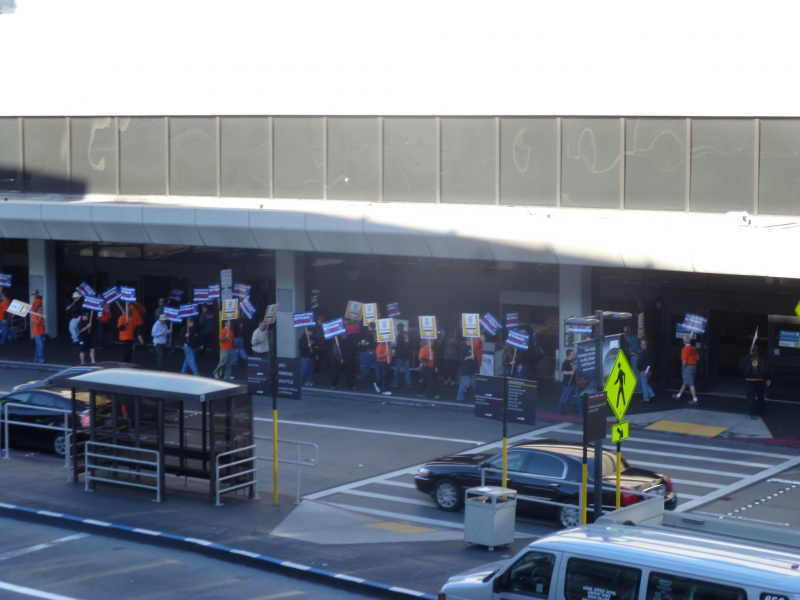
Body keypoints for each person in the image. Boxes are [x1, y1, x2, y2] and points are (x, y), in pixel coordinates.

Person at [738, 347, 771, 420]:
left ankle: (753, 414)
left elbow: (740, 367)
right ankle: (762, 411)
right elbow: (767, 370)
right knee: (760, 396)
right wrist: (768, 378)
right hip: (760, 380)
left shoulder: (746, 358)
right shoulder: (762, 359)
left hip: (749, 380)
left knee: (750, 398)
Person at [673, 335, 699, 405]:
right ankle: (678, 395)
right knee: (686, 382)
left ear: (684, 341)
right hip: (694, 366)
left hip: (687, 367)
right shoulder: (694, 348)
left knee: (690, 383)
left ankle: (695, 399)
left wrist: (682, 368)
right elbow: (697, 358)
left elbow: (684, 361)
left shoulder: (684, 349)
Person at [557, 349, 582, 415]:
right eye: (573, 354)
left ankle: (581, 411)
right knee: (564, 398)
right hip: (568, 384)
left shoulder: (575, 361)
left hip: (574, 383)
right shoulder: (565, 363)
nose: (574, 355)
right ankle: (560, 410)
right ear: (569, 355)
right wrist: (570, 372)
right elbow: (563, 372)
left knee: (577, 397)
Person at [456, 336, 478, 402]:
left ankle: (478, 398)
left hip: (473, 369)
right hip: (466, 369)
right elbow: (461, 359)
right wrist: (469, 357)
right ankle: (459, 398)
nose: (473, 342)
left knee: (476, 384)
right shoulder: (464, 348)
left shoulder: (473, 348)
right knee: (463, 384)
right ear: (469, 341)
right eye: (472, 341)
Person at [357, 322, 379, 389]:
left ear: (370, 327)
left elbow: (367, 343)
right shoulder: (377, 333)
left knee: (366, 366)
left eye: (368, 326)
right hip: (377, 351)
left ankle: (362, 378)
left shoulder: (369, 333)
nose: (367, 327)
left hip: (370, 351)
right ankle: (378, 379)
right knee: (377, 367)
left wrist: (361, 343)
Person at [391, 322, 412, 389]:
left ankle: (395, 383)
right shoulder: (407, 333)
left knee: (397, 369)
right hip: (407, 354)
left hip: (400, 355)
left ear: (398, 328)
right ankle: (409, 383)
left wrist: (395, 353)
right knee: (407, 369)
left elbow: (399, 346)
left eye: (397, 327)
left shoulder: (399, 335)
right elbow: (410, 343)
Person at [637, 336, 655, 402]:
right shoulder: (652, 352)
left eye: (641, 344)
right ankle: (651, 394)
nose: (640, 345)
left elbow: (639, 362)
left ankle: (646, 398)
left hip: (643, 371)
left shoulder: (643, 353)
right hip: (649, 371)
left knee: (644, 384)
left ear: (645, 345)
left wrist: (638, 368)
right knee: (645, 383)